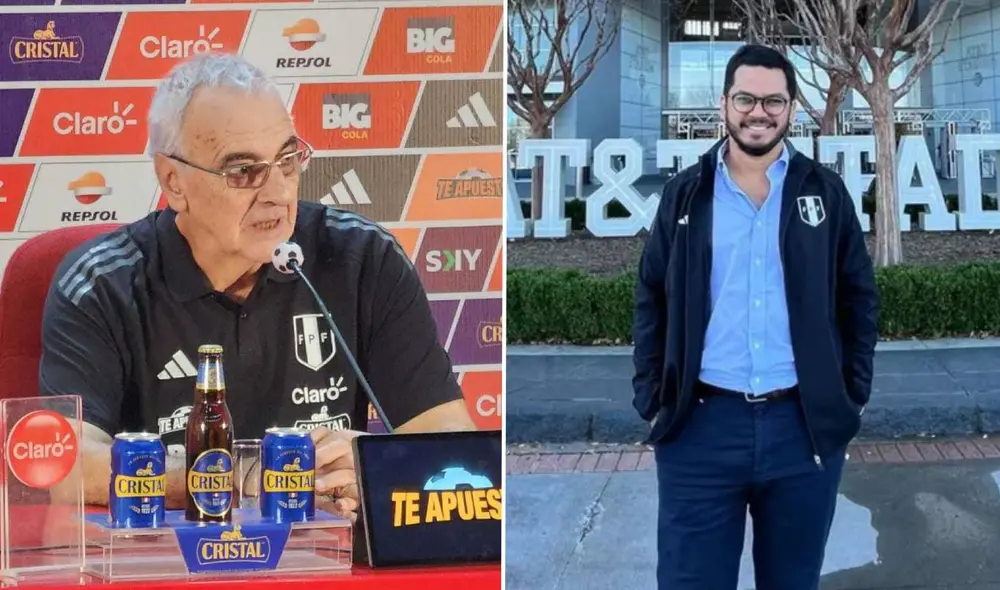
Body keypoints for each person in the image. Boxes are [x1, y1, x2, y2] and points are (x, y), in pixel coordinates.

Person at [39, 53, 476, 517]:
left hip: (326, 564)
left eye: (287, 161)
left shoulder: (362, 258)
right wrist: (245, 478)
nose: (278, 193)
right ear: (173, 181)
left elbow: (454, 440)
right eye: (243, 171)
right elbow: (66, 467)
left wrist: (379, 466)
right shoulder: (102, 283)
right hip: (170, 566)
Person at [631, 44, 879, 590]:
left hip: (802, 431)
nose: (758, 111)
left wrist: (850, 395)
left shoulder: (824, 192)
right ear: (724, 104)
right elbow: (652, 295)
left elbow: (858, 297)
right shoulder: (686, 194)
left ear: (792, 108)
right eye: (746, 98)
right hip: (699, 429)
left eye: (773, 100)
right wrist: (653, 399)